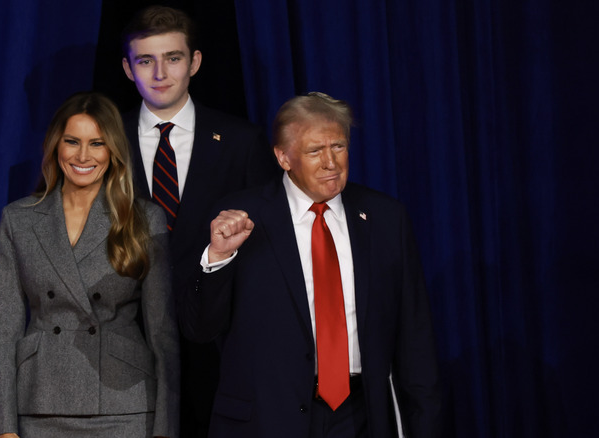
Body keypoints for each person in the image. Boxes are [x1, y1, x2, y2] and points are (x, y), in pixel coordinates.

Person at [179, 92, 443, 437]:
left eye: (338, 146)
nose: (331, 162)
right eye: (315, 151)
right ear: (283, 157)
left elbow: (415, 338)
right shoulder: (240, 216)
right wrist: (218, 258)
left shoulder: (385, 218)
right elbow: (200, 328)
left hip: (361, 417)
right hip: (267, 419)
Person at [120, 6, 279, 436]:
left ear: (195, 62)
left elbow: (268, 247)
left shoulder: (242, 141)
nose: (159, 73)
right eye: (145, 60)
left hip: (218, 349)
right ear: (128, 69)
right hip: (122, 352)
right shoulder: (103, 140)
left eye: (172, 58)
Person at [0, 91, 179, 438]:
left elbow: (162, 332)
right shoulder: (18, 219)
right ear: (55, 146)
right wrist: (3, 428)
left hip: (125, 404)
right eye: (72, 142)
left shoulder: (143, 218)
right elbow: (3, 332)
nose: (82, 155)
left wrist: (165, 428)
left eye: (97, 144)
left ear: (113, 151)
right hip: (40, 401)